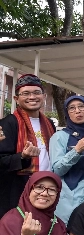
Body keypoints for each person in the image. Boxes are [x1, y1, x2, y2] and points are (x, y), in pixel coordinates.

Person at [49, 95, 84, 223]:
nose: (77, 111)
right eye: (72, 108)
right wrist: (76, 151)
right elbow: (56, 170)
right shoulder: (59, 137)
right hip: (68, 200)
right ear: (67, 114)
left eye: (81, 106)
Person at [0, 74, 49, 218]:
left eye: (36, 92)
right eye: (26, 93)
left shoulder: (49, 124)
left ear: (44, 96)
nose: (32, 97)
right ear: (16, 99)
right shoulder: (8, 124)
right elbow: (2, 161)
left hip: (46, 190)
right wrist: (23, 157)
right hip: (18, 191)